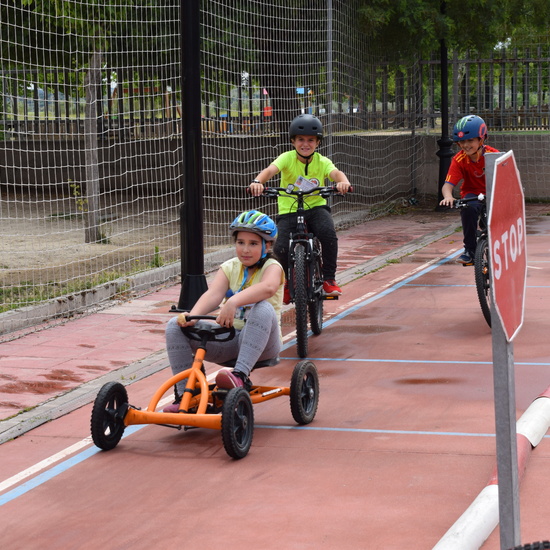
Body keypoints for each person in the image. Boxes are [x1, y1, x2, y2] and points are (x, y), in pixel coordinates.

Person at [163, 210, 284, 412]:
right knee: (174, 326)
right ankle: (187, 394)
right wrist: (191, 316)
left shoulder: (273, 267)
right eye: (241, 242)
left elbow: (268, 288)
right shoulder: (229, 267)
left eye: (253, 244)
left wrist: (233, 301)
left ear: (267, 245)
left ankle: (240, 377)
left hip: (264, 345)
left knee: (262, 306)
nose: (245, 249)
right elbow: (213, 295)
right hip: (230, 339)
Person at [248, 113, 351, 304]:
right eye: (301, 140)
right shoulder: (286, 158)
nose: (306, 144)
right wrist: (257, 182)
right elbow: (270, 170)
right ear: (293, 141)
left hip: (316, 207)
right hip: (289, 210)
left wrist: (343, 182)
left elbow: (335, 173)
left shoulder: (322, 161)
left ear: (318, 143)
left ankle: (329, 278)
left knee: (328, 234)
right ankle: (286, 283)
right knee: (280, 248)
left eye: (311, 140)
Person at [439, 115, 499, 265]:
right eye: (462, 142)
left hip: (493, 192)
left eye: (470, 140)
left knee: (499, 220)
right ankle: (470, 251)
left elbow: (507, 176)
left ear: (482, 139)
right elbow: (447, 185)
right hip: (472, 194)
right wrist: (448, 197)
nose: (466, 145)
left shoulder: (494, 155)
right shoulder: (459, 160)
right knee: (468, 209)